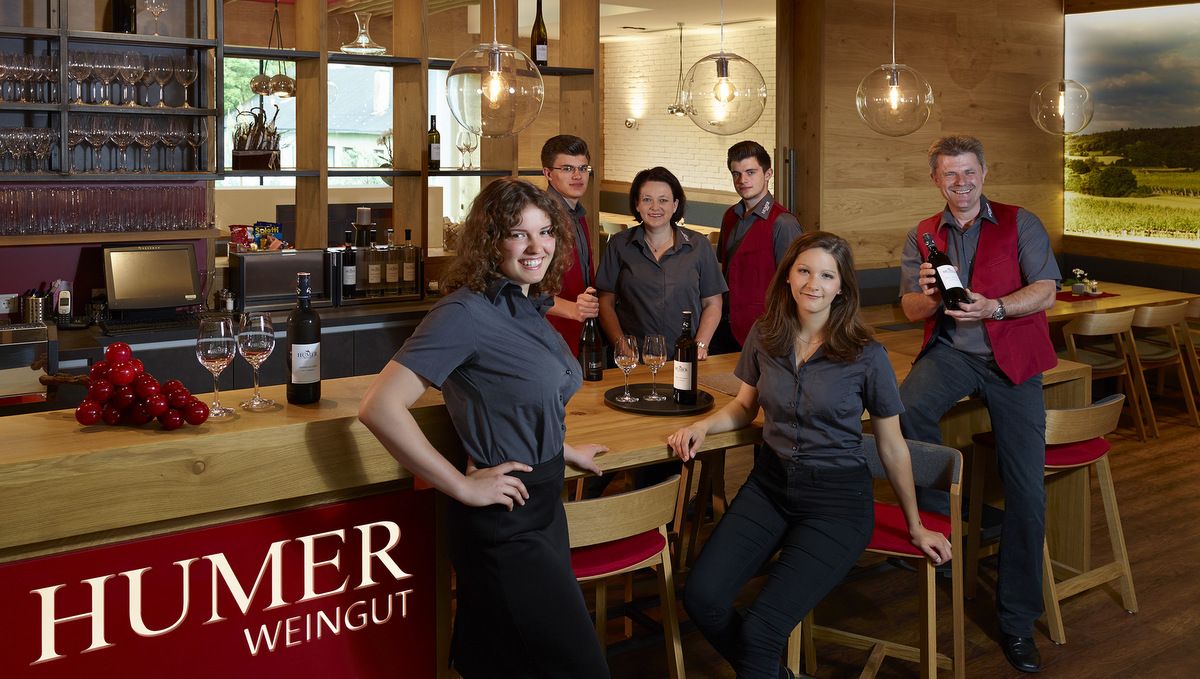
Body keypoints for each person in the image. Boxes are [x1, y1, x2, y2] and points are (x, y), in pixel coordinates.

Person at [668, 232, 951, 679]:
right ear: (788, 278)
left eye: (826, 274)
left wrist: (915, 524)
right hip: (770, 487)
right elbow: (745, 407)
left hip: (836, 504)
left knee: (761, 633)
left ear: (842, 286)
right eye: (804, 270)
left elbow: (891, 445)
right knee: (702, 597)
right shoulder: (765, 334)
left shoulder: (866, 354)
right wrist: (701, 426)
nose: (812, 283)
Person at [358, 178, 610, 679]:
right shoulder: (462, 313)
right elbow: (379, 406)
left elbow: (518, 394)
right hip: (502, 521)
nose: (537, 247)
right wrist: (460, 487)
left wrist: (562, 448)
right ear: (491, 239)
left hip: (544, 501)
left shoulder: (526, 302)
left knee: (506, 663)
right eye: (519, 234)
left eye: (546, 232)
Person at [897, 135, 1060, 674]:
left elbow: (1045, 289)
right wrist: (927, 295)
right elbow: (907, 307)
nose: (960, 183)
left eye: (968, 173)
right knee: (904, 411)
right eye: (950, 175)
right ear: (936, 180)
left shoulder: (1021, 222)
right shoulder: (924, 234)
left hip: (1012, 356)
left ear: (984, 173)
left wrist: (994, 308)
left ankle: (1016, 621)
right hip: (952, 355)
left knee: (1026, 488)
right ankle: (941, 532)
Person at [595, 166, 726, 356]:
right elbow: (605, 303)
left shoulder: (700, 246)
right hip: (633, 359)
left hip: (685, 357)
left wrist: (700, 346)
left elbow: (713, 304)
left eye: (663, 200)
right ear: (637, 204)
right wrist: (622, 346)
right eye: (647, 200)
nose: (655, 207)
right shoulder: (619, 245)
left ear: (675, 205)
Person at [712, 140, 803, 353]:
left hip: (765, 332)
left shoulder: (784, 223)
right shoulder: (729, 216)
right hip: (724, 327)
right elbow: (724, 272)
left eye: (751, 172)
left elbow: (796, 285)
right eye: (736, 174)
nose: (742, 180)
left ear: (768, 173)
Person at [541, 134, 599, 354]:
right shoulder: (541, 218)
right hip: (549, 335)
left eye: (583, 168)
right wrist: (574, 310)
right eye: (567, 169)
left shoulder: (579, 215)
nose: (578, 176)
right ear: (548, 173)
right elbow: (522, 289)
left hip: (580, 331)